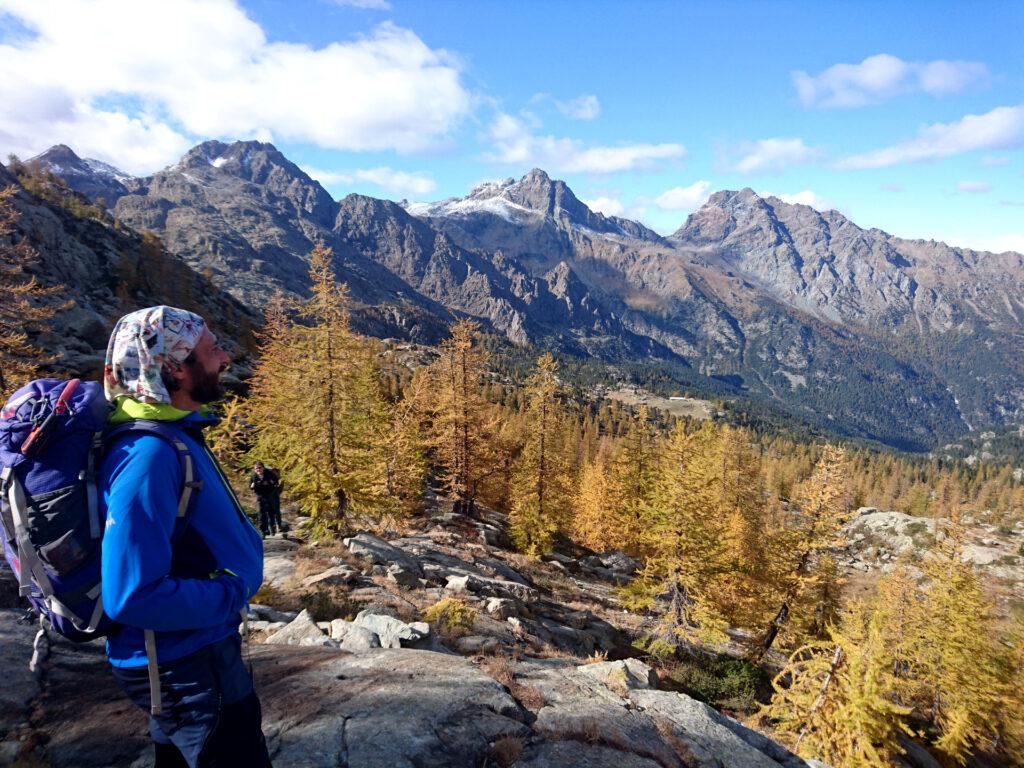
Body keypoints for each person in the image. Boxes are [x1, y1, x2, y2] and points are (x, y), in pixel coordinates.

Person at [100, 306, 271, 768]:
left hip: (194, 655)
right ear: (173, 368)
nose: (225, 358)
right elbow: (130, 595)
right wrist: (231, 590)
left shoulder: (173, 435)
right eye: (212, 348)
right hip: (187, 668)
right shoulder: (148, 456)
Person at [249, 462, 281, 537]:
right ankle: (263, 531)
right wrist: (253, 486)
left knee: (271, 512)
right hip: (260, 496)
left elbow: (276, 481)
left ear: (263, 468)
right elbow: (250, 486)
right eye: (256, 468)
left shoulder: (269, 473)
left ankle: (272, 527)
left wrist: (270, 482)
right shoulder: (254, 476)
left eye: (259, 468)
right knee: (261, 513)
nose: (258, 470)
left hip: (270, 495)